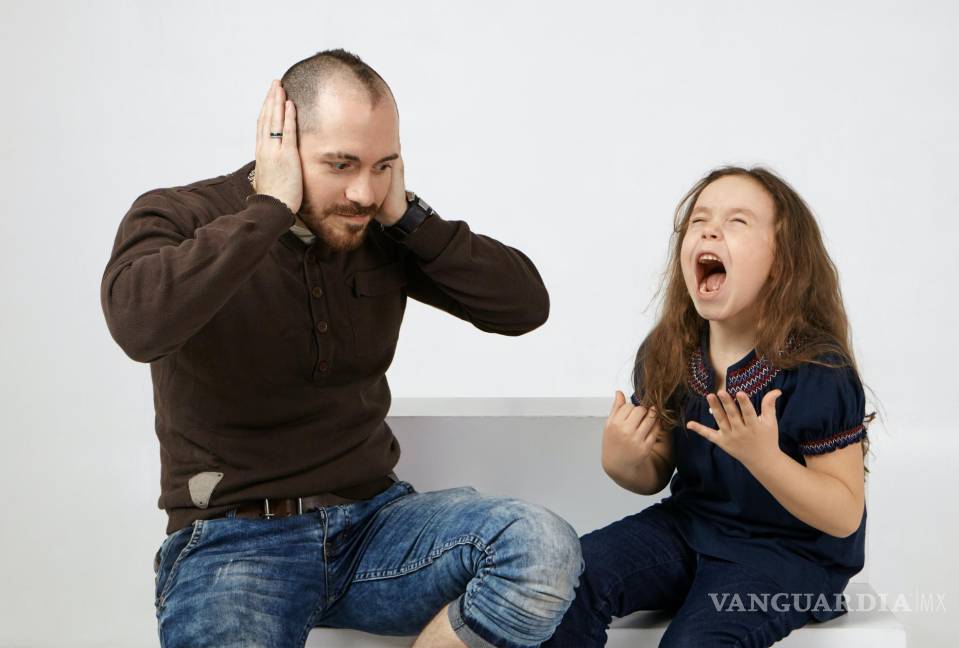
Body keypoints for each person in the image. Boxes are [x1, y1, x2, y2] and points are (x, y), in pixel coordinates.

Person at [101, 48, 582, 648]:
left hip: (375, 527)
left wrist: (410, 220)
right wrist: (269, 210)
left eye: (384, 164)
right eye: (341, 164)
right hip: (233, 545)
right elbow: (137, 324)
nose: (363, 191)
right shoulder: (181, 215)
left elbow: (524, 307)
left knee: (541, 546)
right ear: (281, 144)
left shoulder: (379, 225)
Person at [543, 167, 875, 647]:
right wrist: (621, 461)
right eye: (699, 220)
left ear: (781, 264)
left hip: (788, 558)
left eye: (738, 222)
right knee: (564, 582)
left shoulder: (817, 367)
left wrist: (763, 458)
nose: (711, 229)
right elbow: (656, 473)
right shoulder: (668, 351)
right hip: (691, 528)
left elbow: (844, 514)